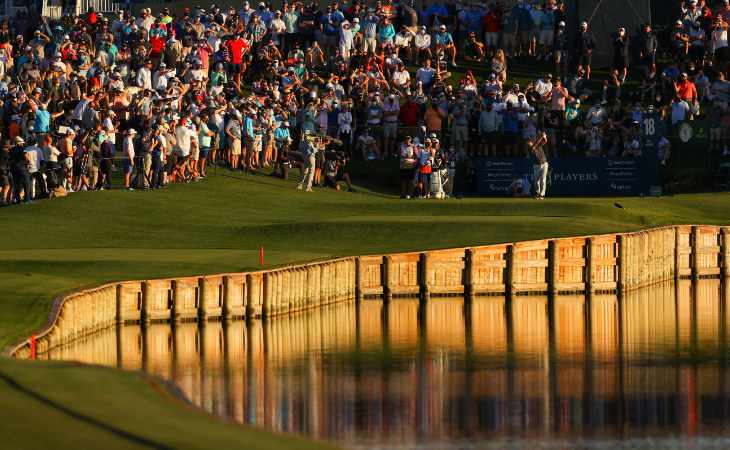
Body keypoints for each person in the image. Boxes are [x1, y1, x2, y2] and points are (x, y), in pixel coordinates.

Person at [528, 130, 549, 200]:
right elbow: (534, 146)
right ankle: (537, 193)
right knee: (536, 181)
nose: (529, 143)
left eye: (530, 142)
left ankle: (542, 195)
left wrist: (544, 136)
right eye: (529, 142)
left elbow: (545, 141)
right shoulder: (531, 148)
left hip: (544, 164)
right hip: (536, 166)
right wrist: (540, 137)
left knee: (543, 180)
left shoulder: (538, 144)